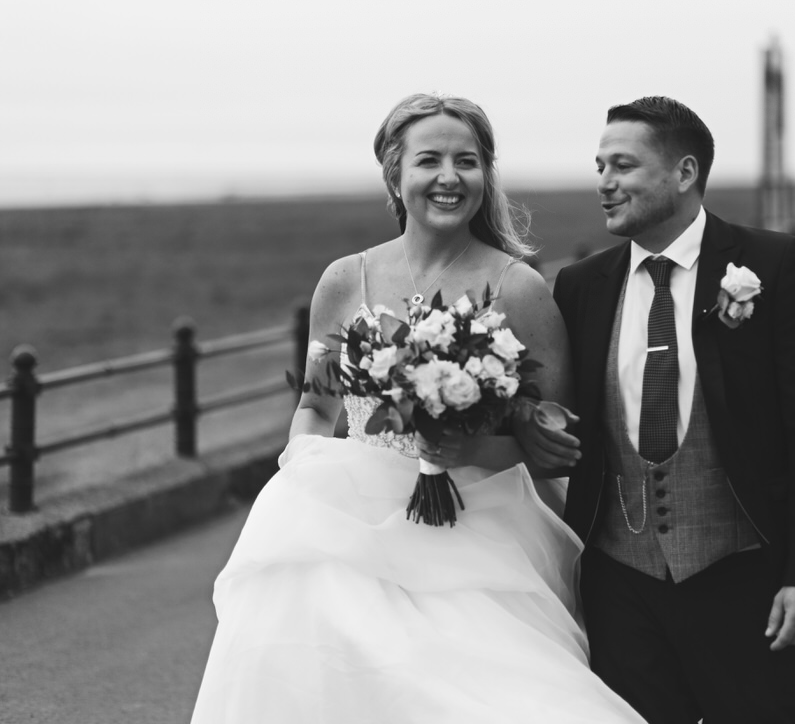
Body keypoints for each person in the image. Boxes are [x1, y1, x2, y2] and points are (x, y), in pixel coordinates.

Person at [190, 93, 645, 723]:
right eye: (429, 160)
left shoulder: (520, 288)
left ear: (487, 175)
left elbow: (558, 439)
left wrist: (473, 447)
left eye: (467, 161)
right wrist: (304, 465)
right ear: (394, 175)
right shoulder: (346, 281)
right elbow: (318, 403)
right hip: (349, 521)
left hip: (478, 529)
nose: (449, 178)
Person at [524, 96, 795, 723]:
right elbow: (557, 413)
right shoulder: (581, 287)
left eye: (623, 166)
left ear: (684, 174)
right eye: (599, 165)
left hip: (748, 579)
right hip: (619, 585)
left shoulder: (771, 265)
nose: (604, 183)